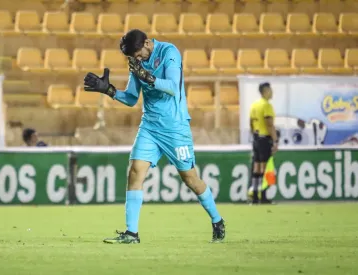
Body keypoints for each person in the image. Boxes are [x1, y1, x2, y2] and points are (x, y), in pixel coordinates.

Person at [83, 29, 225, 244]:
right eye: (133, 58)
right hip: (150, 125)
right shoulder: (137, 63)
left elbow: (172, 88)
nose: (137, 60)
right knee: (135, 171)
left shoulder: (169, 52)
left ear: (148, 43)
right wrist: (109, 91)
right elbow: (131, 98)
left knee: (190, 179)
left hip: (175, 127)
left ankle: (217, 220)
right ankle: (132, 233)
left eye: (138, 55)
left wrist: (147, 77)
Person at [248, 82, 278, 204]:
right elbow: (269, 124)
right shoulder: (267, 106)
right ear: (265, 91)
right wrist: (275, 140)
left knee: (257, 167)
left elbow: (250, 123)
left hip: (256, 138)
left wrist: (254, 136)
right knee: (265, 168)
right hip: (265, 138)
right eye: (270, 90)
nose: (272, 92)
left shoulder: (254, 105)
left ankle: (255, 196)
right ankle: (264, 196)